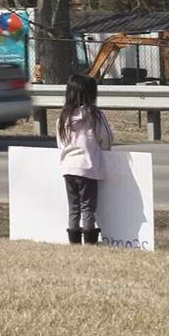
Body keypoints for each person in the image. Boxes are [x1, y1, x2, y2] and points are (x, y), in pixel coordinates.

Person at [57, 74, 114, 245]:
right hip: (87, 167)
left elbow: (61, 142)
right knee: (88, 208)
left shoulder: (64, 116)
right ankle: (90, 242)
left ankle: (73, 241)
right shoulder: (94, 115)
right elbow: (106, 138)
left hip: (68, 168)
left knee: (73, 208)